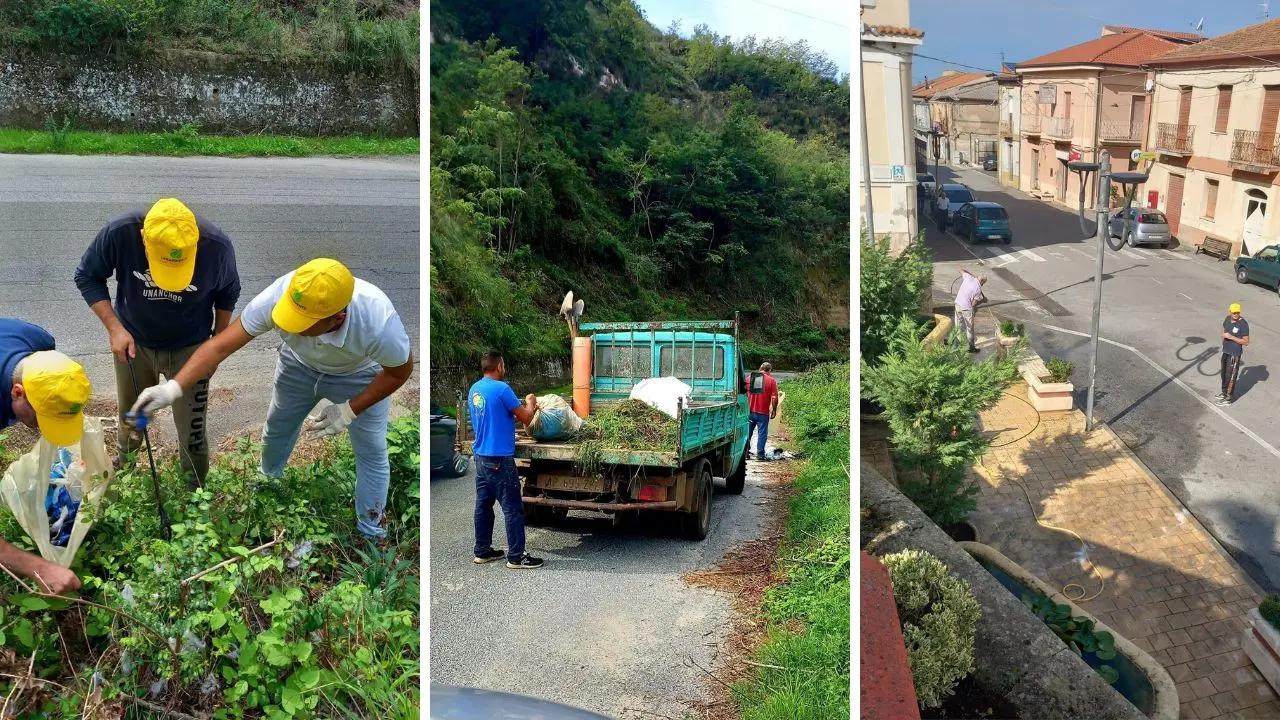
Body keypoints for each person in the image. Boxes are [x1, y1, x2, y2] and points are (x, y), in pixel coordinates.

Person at [130, 258, 413, 539]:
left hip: (359, 374)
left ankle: (371, 531)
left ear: (336, 318)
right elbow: (218, 347)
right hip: (297, 365)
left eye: (302, 323)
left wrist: (350, 410)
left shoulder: (378, 322)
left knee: (372, 451)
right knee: (277, 428)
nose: (290, 326)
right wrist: (172, 389)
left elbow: (400, 372)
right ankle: (266, 489)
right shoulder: (281, 295)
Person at [74, 198, 241, 485]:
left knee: (192, 430)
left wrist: (215, 345)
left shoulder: (217, 246)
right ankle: (126, 469)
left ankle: (194, 492)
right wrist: (115, 328)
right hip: (134, 344)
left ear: (195, 243)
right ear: (144, 239)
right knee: (133, 415)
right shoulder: (121, 232)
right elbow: (88, 276)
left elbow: (228, 293)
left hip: (192, 348)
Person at [0, 319, 91, 594]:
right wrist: (37, 567)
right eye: (42, 419)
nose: (43, 430)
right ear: (18, 393)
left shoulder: (37, 341)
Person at [466, 351, 543, 569]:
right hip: (499, 457)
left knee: (483, 504)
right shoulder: (502, 389)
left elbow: (494, 416)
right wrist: (531, 402)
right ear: (499, 366)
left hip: (480, 456)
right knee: (512, 507)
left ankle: (482, 551)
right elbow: (526, 417)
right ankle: (517, 556)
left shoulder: (474, 389)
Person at [746, 362, 780, 460]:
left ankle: (745, 453)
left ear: (760, 368)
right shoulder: (771, 381)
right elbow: (774, 397)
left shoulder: (749, 378)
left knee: (748, 432)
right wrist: (774, 409)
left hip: (749, 411)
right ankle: (760, 454)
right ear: (769, 370)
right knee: (762, 433)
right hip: (763, 413)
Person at [1218, 302, 1250, 406]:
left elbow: (1246, 342)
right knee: (1223, 374)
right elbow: (1223, 329)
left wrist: (1231, 337)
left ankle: (1228, 399)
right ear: (1230, 311)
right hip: (1226, 351)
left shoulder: (1243, 324)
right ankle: (1223, 393)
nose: (1236, 314)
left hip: (1234, 354)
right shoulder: (1227, 318)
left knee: (1230, 376)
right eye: (1234, 312)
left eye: (1237, 312)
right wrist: (1223, 339)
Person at [954, 269, 987, 353]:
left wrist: (969, 274)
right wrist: (983, 300)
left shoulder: (968, 277)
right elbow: (973, 304)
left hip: (957, 304)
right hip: (966, 308)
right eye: (983, 283)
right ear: (982, 281)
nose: (982, 285)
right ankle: (971, 348)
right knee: (969, 329)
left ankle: (956, 347)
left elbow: (960, 269)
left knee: (959, 326)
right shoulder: (978, 289)